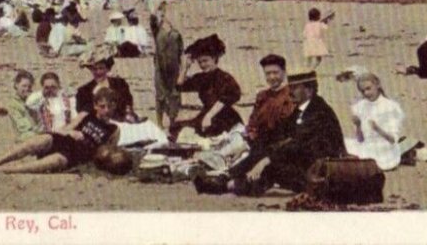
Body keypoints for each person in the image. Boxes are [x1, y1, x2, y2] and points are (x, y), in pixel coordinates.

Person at [196, 70, 345, 196]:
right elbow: (278, 133)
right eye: (290, 87)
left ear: (309, 90)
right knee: (261, 149)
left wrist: (266, 160)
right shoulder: (301, 109)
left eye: (295, 87)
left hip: (318, 171)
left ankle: (228, 186)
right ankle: (226, 177)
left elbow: (298, 144)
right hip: (302, 161)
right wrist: (251, 143)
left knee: (271, 167)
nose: (290, 91)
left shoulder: (319, 112)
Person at [0, 87, 121, 174]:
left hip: (77, 154)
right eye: (103, 106)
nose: (106, 110)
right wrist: (71, 133)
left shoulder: (114, 130)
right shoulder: (86, 115)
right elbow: (65, 130)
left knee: (56, 161)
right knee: (44, 139)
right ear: (96, 105)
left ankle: (7, 170)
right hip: (66, 140)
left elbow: (107, 155)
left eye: (110, 107)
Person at [171, 34, 243, 139]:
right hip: (207, 115)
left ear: (214, 58)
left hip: (225, 118)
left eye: (205, 60)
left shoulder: (224, 78)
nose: (203, 65)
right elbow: (179, 87)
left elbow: (231, 96)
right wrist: (185, 68)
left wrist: (209, 116)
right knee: (175, 127)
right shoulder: (201, 78)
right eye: (200, 62)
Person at [344, 72, 404, 170]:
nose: (366, 93)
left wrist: (377, 129)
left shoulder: (390, 106)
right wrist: (358, 126)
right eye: (363, 91)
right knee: (342, 142)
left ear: (377, 85)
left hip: (385, 149)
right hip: (367, 145)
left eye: (368, 88)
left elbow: (393, 140)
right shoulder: (360, 106)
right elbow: (360, 140)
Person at [76, 47, 138, 122]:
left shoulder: (120, 84)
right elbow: (82, 113)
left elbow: (128, 103)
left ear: (107, 69)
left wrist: (128, 114)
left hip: (122, 121)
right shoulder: (84, 91)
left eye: (101, 68)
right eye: (95, 69)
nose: (98, 72)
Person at [150, 11, 183, 127]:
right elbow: (152, 20)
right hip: (160, 68)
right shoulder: (158, 31)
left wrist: (182, 72)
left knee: (174, 95)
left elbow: (181, 53)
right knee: (160, 96)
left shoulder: (177, 34)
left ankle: (172, 121)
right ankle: (159, 123)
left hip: (174, 69)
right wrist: (155, 11)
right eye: (163, 17)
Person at [7, 70, 41, 142]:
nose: (27, 89)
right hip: (24, 138)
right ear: (16, 85)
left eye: (29, 87)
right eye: (24, 86)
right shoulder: (13, 105)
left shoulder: (34, 100)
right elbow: (24, 128)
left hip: (37, 133)